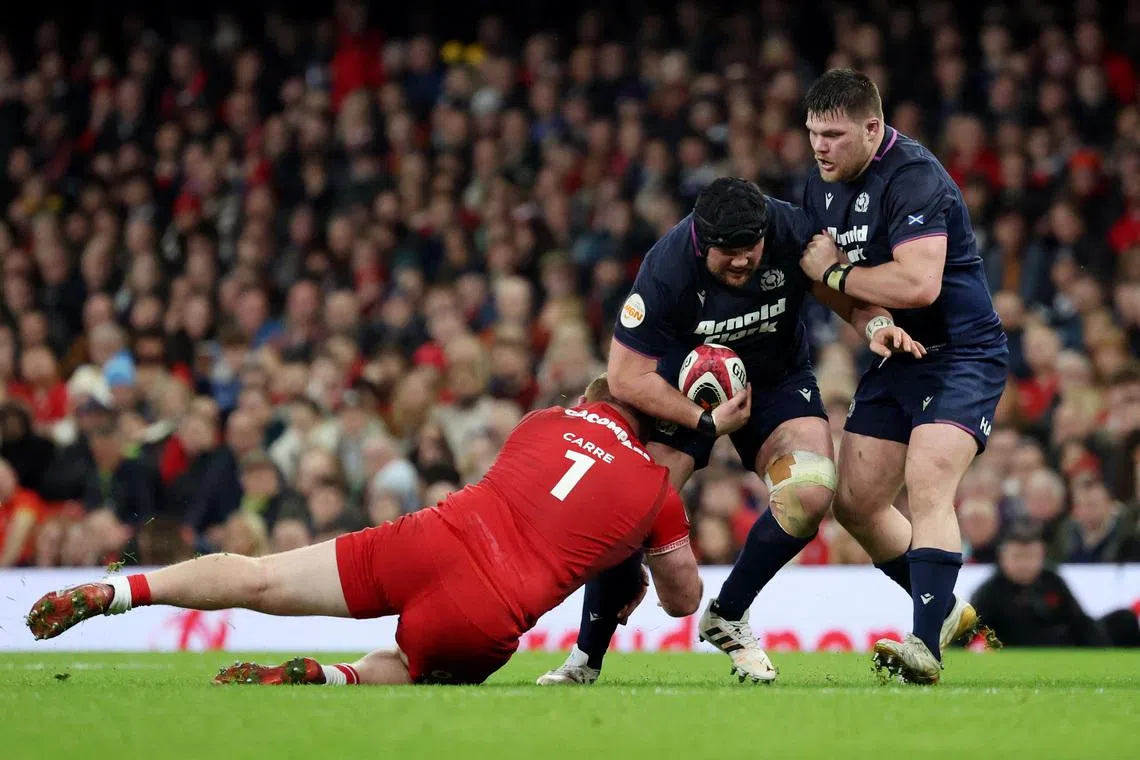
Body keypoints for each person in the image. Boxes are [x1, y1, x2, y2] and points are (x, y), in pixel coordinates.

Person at [25, 376, 702, 686]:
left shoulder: (542, 422)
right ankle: (328, 677)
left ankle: (120, 591)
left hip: (429, 538)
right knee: (408, 670)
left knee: (261, 577)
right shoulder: (654, 491)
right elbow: (682, 600)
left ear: (586, 403)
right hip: (485, 607)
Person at [539, 177, 951, 687]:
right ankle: (585, 661)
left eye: (749, 249)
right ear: (701, 241)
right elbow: (625, 376)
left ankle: (728, 614)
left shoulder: (791, 231)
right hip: (680, 392)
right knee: (630, 514)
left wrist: (874, 327)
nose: (741, 261)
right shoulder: (666, 267)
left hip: (774, 382)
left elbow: (843, 290)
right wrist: (706, 421)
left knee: (811, 491)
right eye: (727, 253)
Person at [798, 69, 1011, 683]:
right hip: (897, 352)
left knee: (927, 480)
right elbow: (835, 287)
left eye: (834, 135)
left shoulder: (914, 176)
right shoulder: (821, 187)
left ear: (873, 127)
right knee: (857, 503)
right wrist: (871, 324)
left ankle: (925, 647)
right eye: (813, 133)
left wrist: (836, 275)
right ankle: (941, 608)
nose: (820, 147)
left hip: (963, 352)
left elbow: (920, 282)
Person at [971, 523, 1140, 647]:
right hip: (1026, 648)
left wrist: (1101, 649)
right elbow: (966, 632)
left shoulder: (1051, 581)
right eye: (1017, 557)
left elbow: (1080, 621)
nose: (1024, 564)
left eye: (1030, 556)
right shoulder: (990, 592)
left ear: (1042, 556)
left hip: (1067, 645)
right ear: (1003, 558)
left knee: (1123, 619)